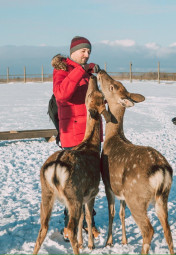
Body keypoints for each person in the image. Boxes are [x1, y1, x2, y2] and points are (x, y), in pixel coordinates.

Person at [51, 36, 101, 242]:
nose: (86, 54)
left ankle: (90, 224)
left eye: (88, 51)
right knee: (72, 185)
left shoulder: (88, 74)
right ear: (73, 52)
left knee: (90, 183)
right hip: (73, 136)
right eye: (83, 51)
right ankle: (69, 226)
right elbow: (61, 94)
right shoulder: (62, 71)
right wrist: (81, 70)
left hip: (91, 137)